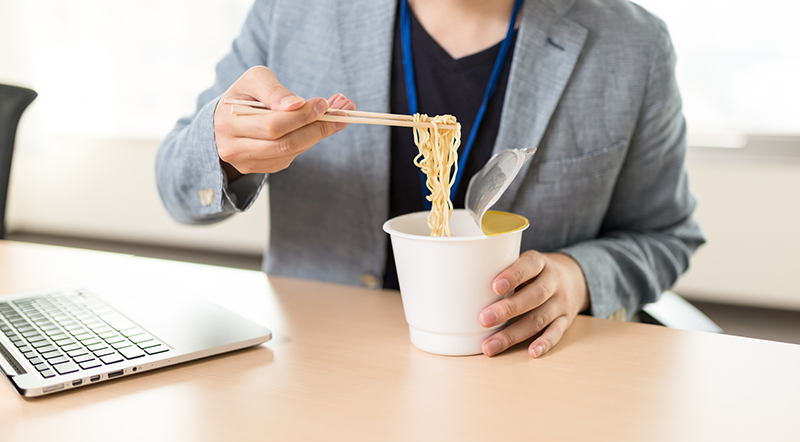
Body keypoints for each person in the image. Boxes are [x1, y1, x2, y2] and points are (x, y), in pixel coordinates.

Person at [156, 0, 705, 359]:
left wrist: (575, 277)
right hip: (322, 360)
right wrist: (226, 149)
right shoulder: (296, 12)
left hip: (523, 372)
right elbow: (177, 187)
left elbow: (665, 235)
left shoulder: (632, 45)